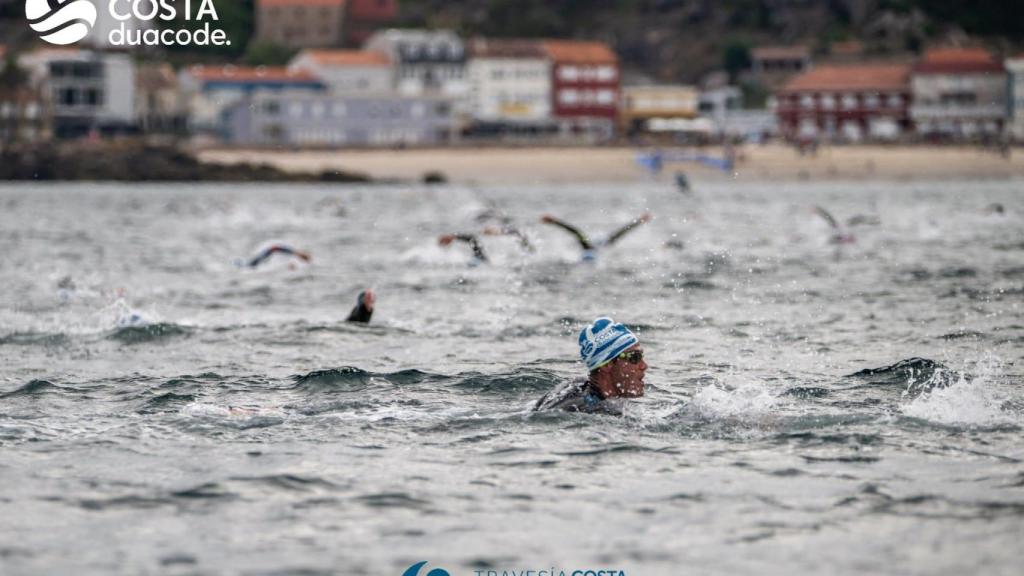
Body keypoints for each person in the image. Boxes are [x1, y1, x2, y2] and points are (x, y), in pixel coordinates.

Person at [533, 317, 647, 414]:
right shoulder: (595, 411)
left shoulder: (575, 385)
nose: (644, 366)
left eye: (641, 356)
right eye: (634, 357)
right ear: (606, 365)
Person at [540, 212, 652, 261]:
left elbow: (575, 231)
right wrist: (640, 220)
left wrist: (553, 221)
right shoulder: (599, 245)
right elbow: (575, 231)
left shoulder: (589, 245)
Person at [242, 244, 312, 268]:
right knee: (248, 265)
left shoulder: (293, 255)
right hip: (262, 259)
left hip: (264, 262)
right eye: (304, 257)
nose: (302, 258)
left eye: (304, 258)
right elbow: (275, 248)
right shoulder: (291, 251)